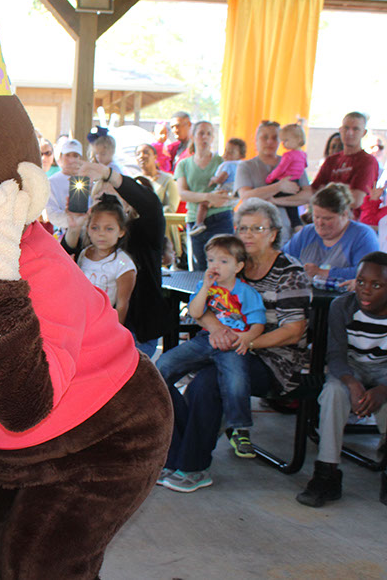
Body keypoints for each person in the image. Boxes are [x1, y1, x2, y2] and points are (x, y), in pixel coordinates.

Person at [159, 198, 311, 492]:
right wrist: (217, 329)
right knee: (160, 376)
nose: (248, 234)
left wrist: (245, 342)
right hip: (222, 345)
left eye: (257, 228)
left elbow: (294, 331)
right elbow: (202, 308)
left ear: (274, 233)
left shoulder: (289, 271)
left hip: (273, 359)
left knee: (205, 383)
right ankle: (176, 454)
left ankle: (193, 468)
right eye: (242, 227)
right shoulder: (228, 264)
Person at [155, 234, 266, 459]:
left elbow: (258, 323)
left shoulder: (246, 293)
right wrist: (205, 287)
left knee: (236, 380)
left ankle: (239, 426)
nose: (216, 266)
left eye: (224, 262)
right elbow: (195, 312)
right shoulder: (205, 286)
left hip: (233, 344)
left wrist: (247, 339)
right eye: (212, 260)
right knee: (164, 363)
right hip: (206, 340)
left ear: (238, 266)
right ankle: (160, 407)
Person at [296, 252, 387, 508]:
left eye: (377, 285)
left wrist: (383, 390)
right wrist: (352, 383)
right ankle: (327, 473)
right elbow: (335, 355)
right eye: (360, 282)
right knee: (333, 392)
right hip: (351, 366)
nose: (366, 291)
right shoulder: (342, 306)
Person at [63, 160, 167, 358]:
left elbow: (152, 206)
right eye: (100, 198)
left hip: (136, 331)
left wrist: (108, 174)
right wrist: (75, 227)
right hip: (90, 330)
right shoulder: (91, 236)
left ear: (127, 204)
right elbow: (63, 259)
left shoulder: (144, 231)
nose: (106, 205)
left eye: (113, 198)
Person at [285, 182, 379, 282]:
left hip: (345, 296)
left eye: (327, 218)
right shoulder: (307, 233)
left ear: (344, 214)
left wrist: (321, 272)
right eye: (316, 217)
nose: (320, 223)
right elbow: (283, 259)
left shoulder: (363, 235)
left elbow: (367, 272)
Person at [235, 120, 312, 238]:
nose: (269, 141)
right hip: (255, 235)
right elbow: (246, 196)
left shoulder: (294, 162)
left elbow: (307, 196)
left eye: (275, 138)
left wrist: (276, 201)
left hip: (287, 232)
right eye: (264, 137)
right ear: (256, 140)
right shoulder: (246, 166)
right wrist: (279, 187)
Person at [175, 120, 234, 270]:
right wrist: (208, 197)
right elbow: (182, 193)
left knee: (224, 265)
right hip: (195, 220)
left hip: (220, 217)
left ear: (213, 138)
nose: (205, 137)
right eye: (201, 133)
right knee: (199, 267)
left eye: (208, 133)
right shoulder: (184, 164)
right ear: (193, 136)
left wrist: (214, 199)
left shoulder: (222, 161)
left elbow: (231, 190)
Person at [74, 195, 136, 325]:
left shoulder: (124, 265)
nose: (101, 233)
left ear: (121, 232)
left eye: (109, 229)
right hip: (81, 320)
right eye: (95, 228)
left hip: (104, 324)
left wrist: (114, 335)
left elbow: (122, 305)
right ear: (88, 229)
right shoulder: (84, 255)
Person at [311, 112, 379, 216]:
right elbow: (313, 190)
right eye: (346, 128)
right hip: (325, 220)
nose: (349, 133)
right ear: (340, 130)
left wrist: (325, 191)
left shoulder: (368, 161)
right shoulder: (331, 160)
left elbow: (356, 200)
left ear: (364, 133)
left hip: (352, 222)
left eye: (355, 129)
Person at [189, 137, 245, 236]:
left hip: (223, 192)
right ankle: (236, 226)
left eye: (231, 152)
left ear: (240, 155)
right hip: (234, 195)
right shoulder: (241, 165)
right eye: (226, 151)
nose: (226, 154)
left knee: (203, 203)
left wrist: (213, 179)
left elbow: (221, 179)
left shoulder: (228, 165)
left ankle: (199, 223)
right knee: (230, 210)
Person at [265, 124, 308, 229]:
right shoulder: (303, 154)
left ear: (297, 139)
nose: (283, 144)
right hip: (296, 182)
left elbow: (281, 169)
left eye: (286, 140)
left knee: (268, 196)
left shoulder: (288, 155)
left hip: (285, 180)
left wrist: (270, 178)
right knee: (292, 209)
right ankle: (297, 225)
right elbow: (305, 165)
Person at [45, 137, 84, 227]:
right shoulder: (51, 182)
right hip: (62, 233)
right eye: (68, 155)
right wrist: (70, 217)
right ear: (61, 156)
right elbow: (52, 213)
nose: (71, 159)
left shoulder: (87, 181)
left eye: (75, 155)